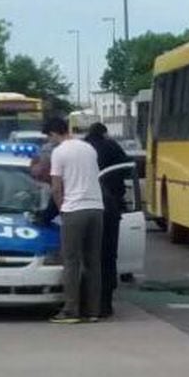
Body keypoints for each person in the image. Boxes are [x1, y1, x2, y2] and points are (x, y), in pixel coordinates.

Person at [43, 117, 105, 324]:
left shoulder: (59, 152)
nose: (50, 141)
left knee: (71, 261)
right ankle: (94, 310)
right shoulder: (89, 148)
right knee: (93, 261)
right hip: (96, 208)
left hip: (74, 209)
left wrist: (62, 209)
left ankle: (71, 310)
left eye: (49, 137)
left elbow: (56, 186)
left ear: (54, 133)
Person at [83, 122, 130, 318]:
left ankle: (87, 302)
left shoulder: (83, 148)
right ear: (104, 133)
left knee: (88, 257)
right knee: (109, 256)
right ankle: (106, 304)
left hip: (84, 206)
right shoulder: (112, 146)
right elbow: (127, 169)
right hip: (111, 206)